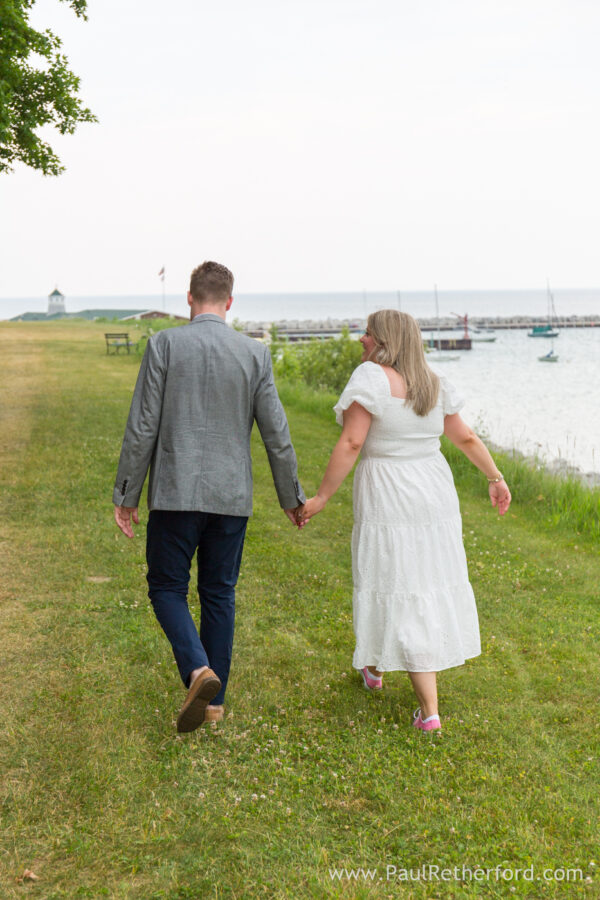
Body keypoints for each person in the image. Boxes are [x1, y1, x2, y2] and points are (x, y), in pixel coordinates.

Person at [113, 261, 305, 732]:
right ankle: (215, 706)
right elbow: (276, 435)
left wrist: (126, 493)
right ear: (230, 302)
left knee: (166, 588)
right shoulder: (254, 354)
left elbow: (142, 428)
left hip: (176, 493)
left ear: (189, 298)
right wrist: (291, 496)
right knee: (219, 592)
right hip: (230, 496)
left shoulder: (163, 344)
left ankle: (199, 671)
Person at [299, 310, 511, 732]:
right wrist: (495, 477)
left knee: (399, 580)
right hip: (433, 491)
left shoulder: (371, 377)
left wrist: (322, 496)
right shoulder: (435, 383)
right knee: (408, 577)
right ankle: (373, 666)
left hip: (390, 490)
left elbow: (353, 440)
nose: (361, 338)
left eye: (369, 332)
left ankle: (429, 712)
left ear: (386, 340)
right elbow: (465, 437)